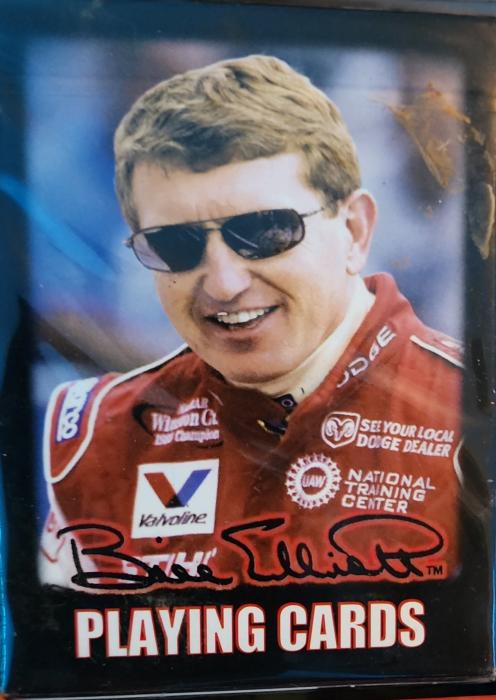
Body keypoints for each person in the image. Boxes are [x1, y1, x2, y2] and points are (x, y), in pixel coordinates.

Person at [39, 55, 464, 592]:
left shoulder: (470, 415)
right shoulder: (93, 439)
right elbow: (59, 639)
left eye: (265, 232)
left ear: (355, 231)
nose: (223, 284)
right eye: (175, 244)